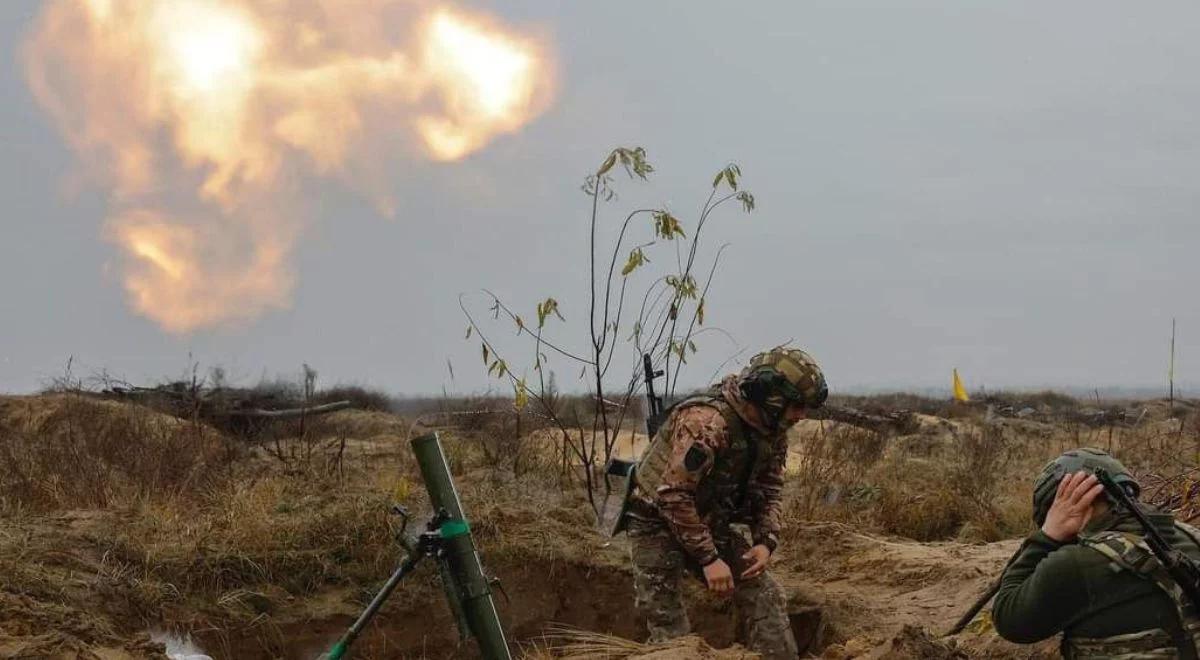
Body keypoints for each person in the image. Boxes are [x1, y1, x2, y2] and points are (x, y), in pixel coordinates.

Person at [626, 346, 827, 660]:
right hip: (655, 522)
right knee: (669, 629)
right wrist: (709, 559)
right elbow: (672, 495)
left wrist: (765, 541)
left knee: (765, 593)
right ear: (770, 395)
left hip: (706, 520)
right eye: (797, 405)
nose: (801, 415)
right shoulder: (707, 423)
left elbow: (769, 487)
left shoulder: (771, 427)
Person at [993, 447, 1200, 657]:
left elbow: (1009, 620)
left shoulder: (1074, 564)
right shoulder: (1191, 536)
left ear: (1065, 504)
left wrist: (1047, 537)